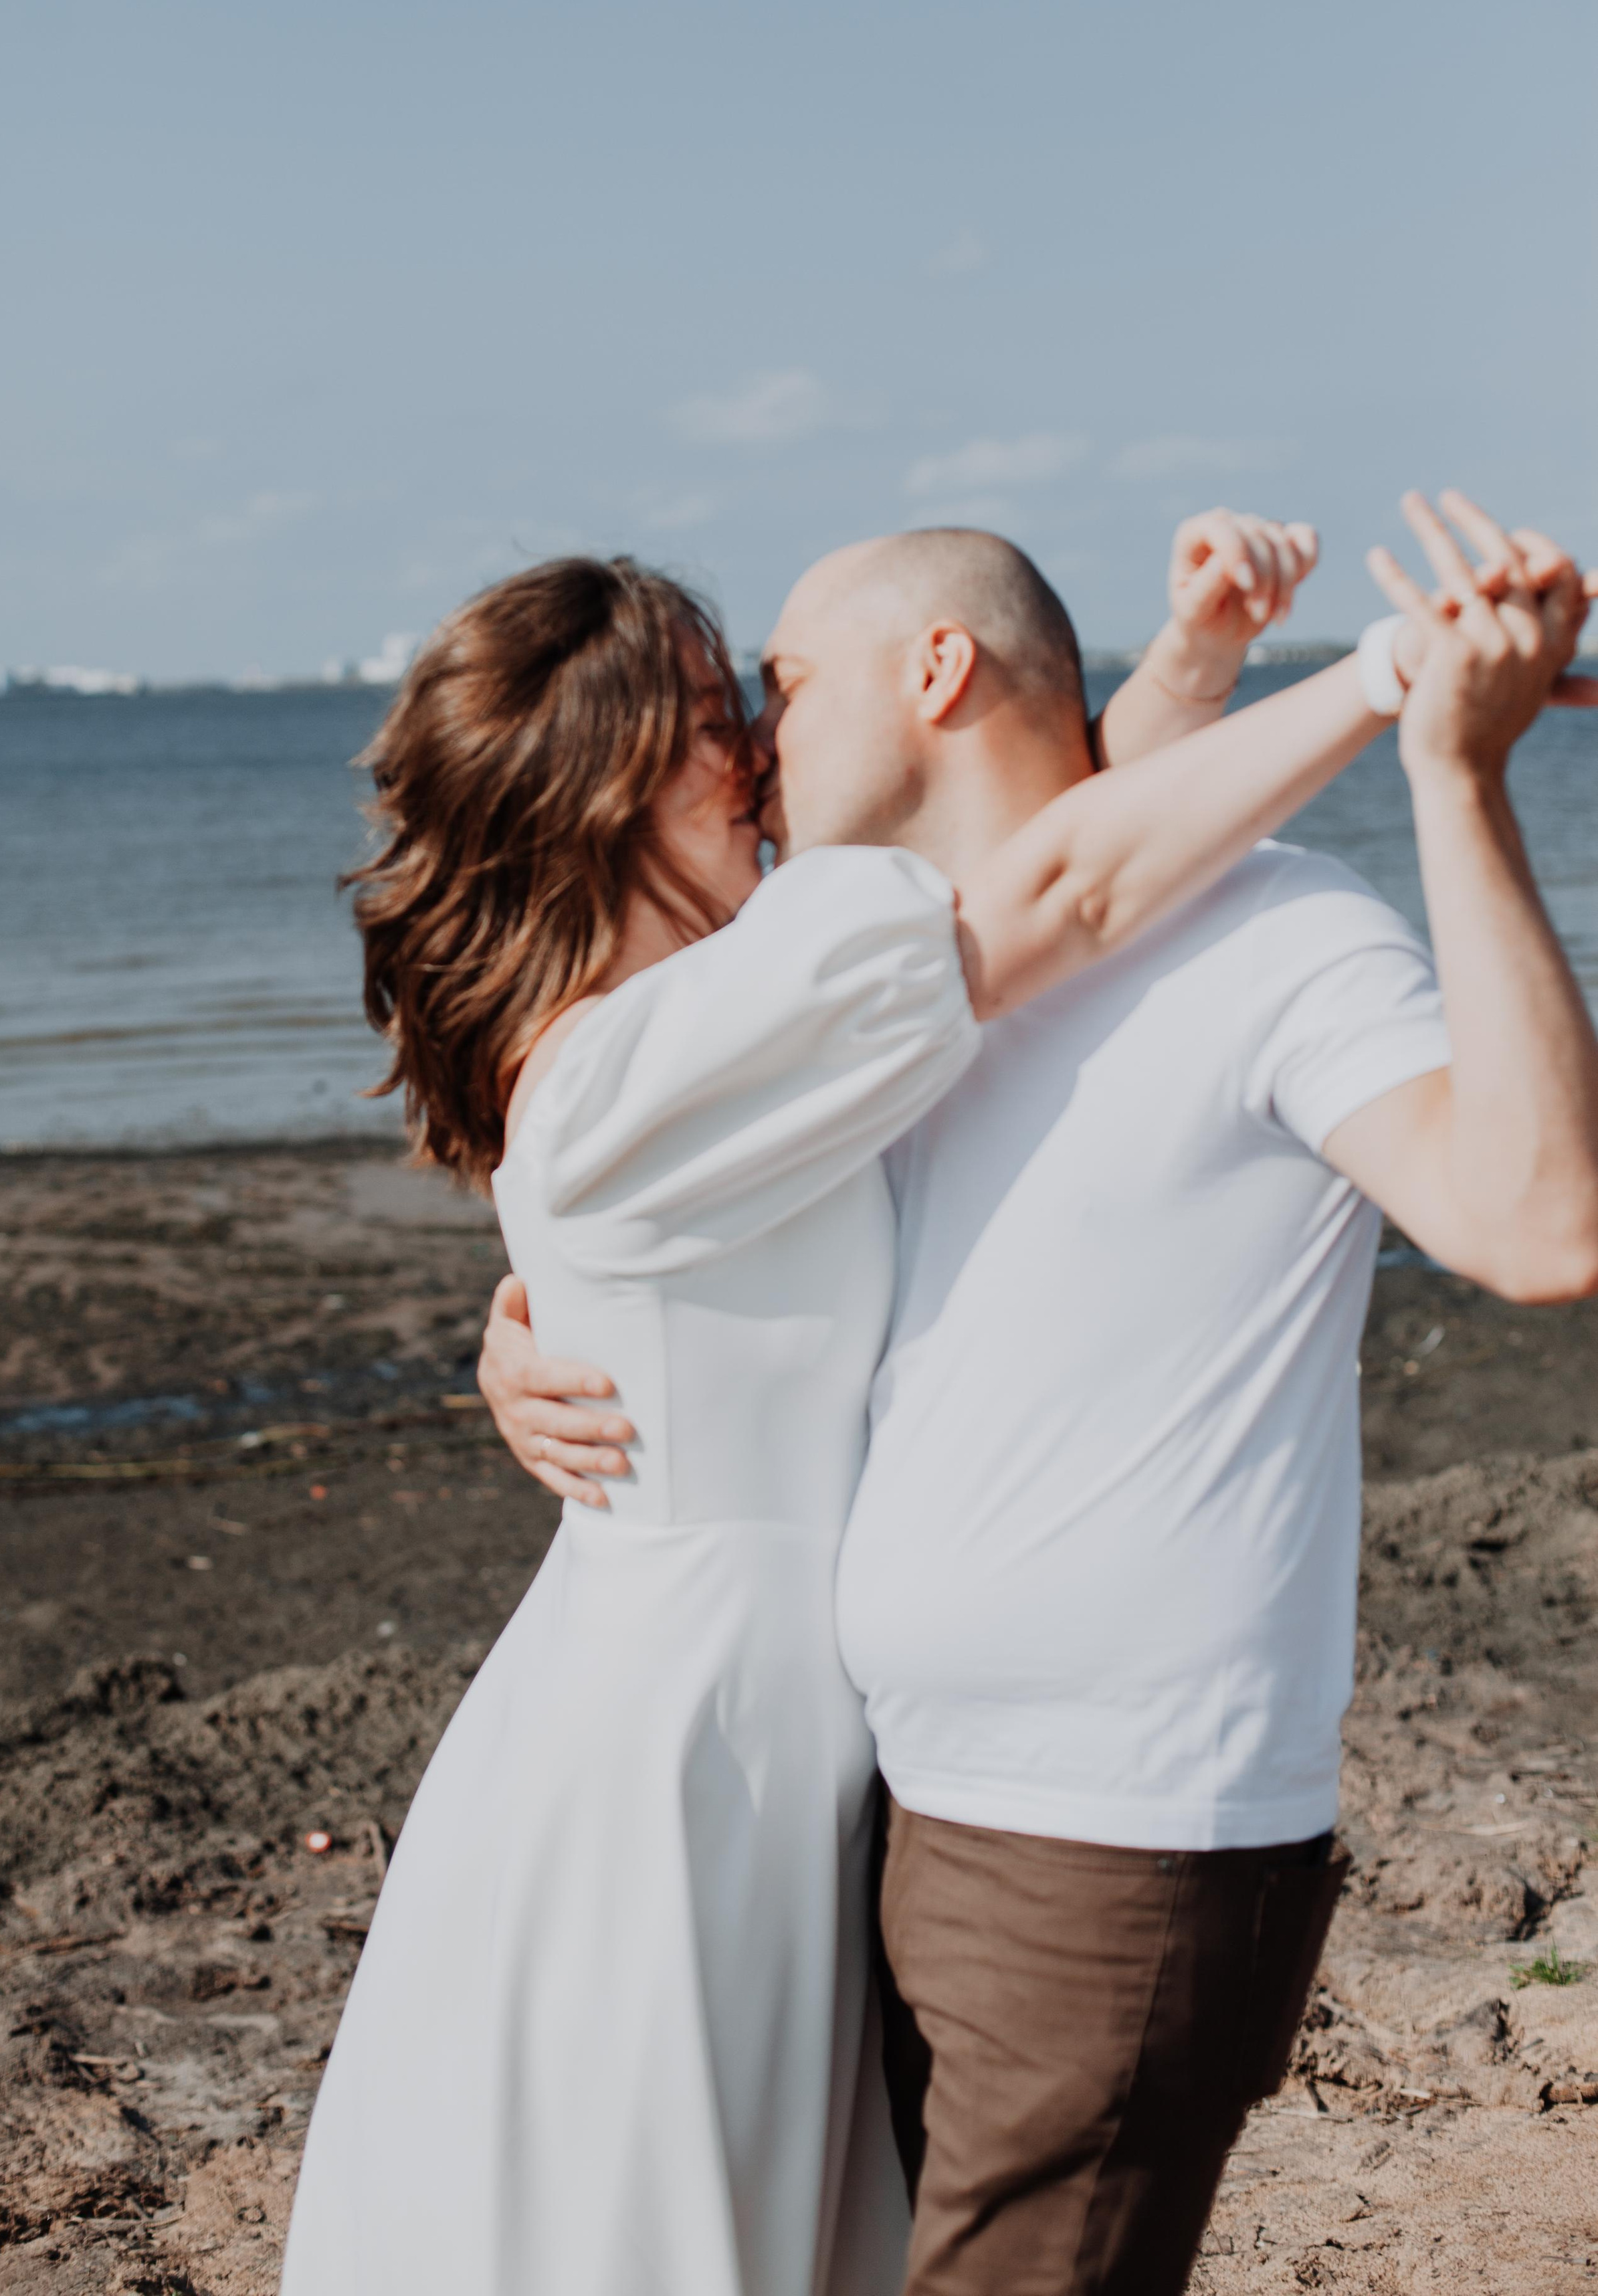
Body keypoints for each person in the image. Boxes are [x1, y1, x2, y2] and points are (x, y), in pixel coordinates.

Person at [478, 491, 1598, 2295]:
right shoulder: (911, 979)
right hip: (891, 1816)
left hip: (1121, 1839)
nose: (755, 748)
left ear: (933, 668)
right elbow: (710, 1199)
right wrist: (534, 1313)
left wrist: (1456, 776)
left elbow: (1540, 1221)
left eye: (779, 683)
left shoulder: (1277, 940)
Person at [280, 510, 1409, 2296]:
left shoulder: (726, 1017)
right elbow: (1065, 890)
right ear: (609, 782)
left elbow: (1039, 835)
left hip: (786, 1720)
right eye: (718, 715)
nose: (758, 753)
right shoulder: (658, 1057)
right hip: (687, 1749)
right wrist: (1384, 683)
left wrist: (1189, 671)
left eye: (759, 700)